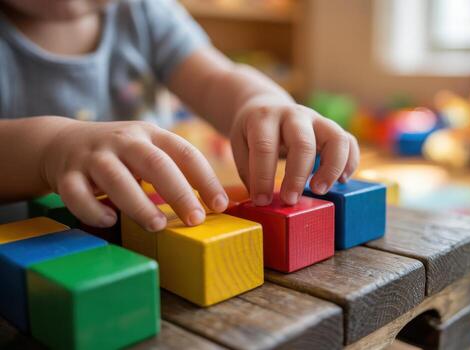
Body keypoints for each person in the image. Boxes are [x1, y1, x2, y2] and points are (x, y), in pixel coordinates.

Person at [0, 0, 359, 232]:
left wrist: (263, 102)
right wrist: (52, 148)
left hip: (154, 235)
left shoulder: (144, 11)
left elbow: (216, 79)